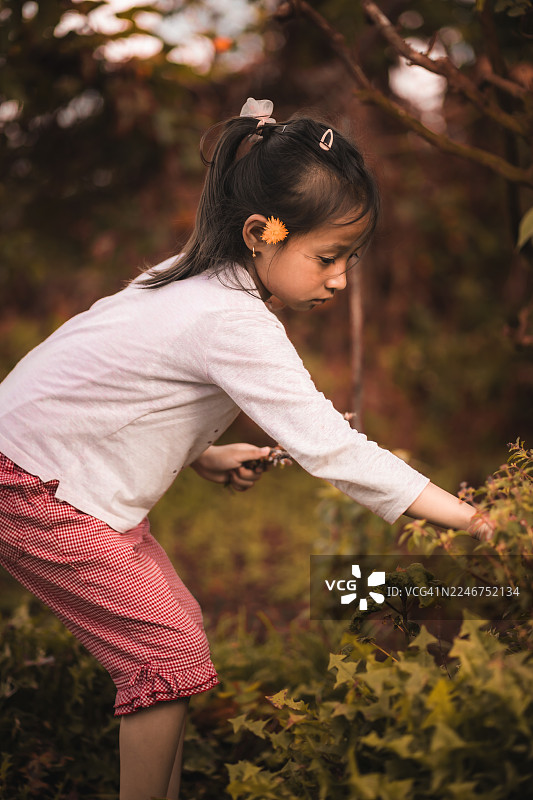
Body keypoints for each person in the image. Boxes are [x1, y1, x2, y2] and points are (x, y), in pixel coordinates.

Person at [0, 98, 490, 800]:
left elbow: (123, 382)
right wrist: (478, 522)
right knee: (165, 653)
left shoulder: (195, 278)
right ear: (261, 232)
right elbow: (335, 451)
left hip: (46, 468)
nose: (341, 279)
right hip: (34, 489)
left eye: (348, 258)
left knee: (176, 638)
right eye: (327, 258)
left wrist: (205, 453)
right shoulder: (231, 319)